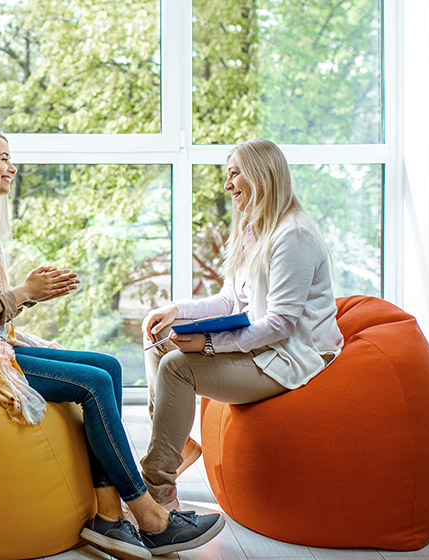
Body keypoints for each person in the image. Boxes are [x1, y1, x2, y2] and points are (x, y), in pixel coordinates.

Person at [0, 130, 224, 560]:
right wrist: (23, 291)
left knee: (108, 366)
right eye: (4, 158)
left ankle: (109, 516)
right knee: (92, 384)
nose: (12, 167)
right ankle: (149, 515)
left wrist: (32, 293)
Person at [140, 137, 344, 509]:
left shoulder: (293, 236)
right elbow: (230, 301)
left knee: (176, 367)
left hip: (288, 358)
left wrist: (210, 344)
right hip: (264, 348)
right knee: (157, 339)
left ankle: (157, 493)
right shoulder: (254, 231)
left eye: (235, 174)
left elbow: (280, 324)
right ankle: (178, 443)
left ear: (261, 176)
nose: (227, 184)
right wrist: (176, 310)